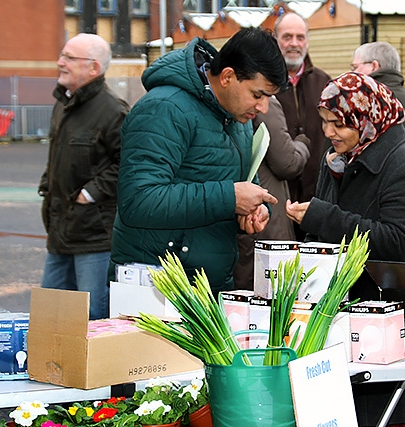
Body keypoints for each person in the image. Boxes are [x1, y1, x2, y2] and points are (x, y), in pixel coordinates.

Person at [286, 72, 405, 427]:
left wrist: (322, 217)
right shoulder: (338, 159)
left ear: (366, 118)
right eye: (324, 123)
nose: (328, 133)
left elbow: (398, 240)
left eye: (338, 124)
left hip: (386, 320)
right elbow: (326, 229)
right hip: (337, 316)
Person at [109, 28, 288, 296]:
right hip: (157, 287)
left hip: (209, 285)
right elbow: (138, 200)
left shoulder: (238, 118)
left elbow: (246, 184)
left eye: (268, 98)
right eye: (257, 94)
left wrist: (255, 210)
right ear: (227, 76)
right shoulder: (164, 108)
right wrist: (230, 198)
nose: (263, 107)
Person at [38, 33, 130, 320]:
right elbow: (59, 156)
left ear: (93, 68)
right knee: (51, 313)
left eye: (68, 58)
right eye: (62, 55)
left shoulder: (113, 112)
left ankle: (95, 367)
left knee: (93, 316)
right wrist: (47, 184)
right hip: (60, 230)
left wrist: (90, 192)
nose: (59, 63)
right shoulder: (63, 104)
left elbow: (127, 164)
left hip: (94, 235)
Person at [232, 96, 311, 290]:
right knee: (270, 292)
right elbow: (288, 163)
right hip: (264, 212)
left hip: (252, 210)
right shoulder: (264, 101)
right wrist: (303, 144)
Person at [352, 41, 405, 185]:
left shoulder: (359, 105)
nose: (352, 73)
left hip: (368, 200)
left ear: (374, 66)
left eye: (355, 67)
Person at [274, 12, 331, 218]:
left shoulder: (324, 82)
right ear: (275, 39)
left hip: (316, 195)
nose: (294, 43)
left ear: (307, 40)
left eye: (300, 37)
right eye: (287, 37)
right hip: (275, 197)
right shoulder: (264, 83)